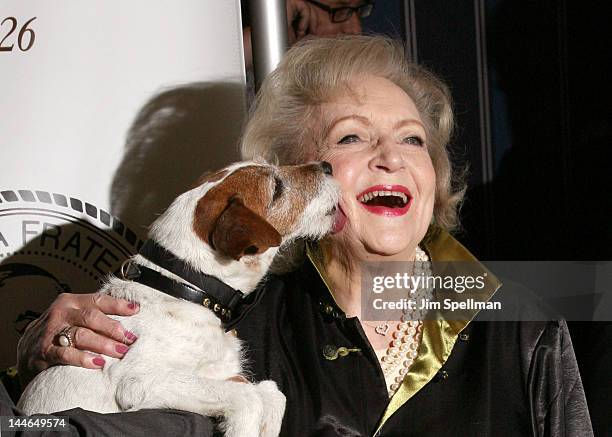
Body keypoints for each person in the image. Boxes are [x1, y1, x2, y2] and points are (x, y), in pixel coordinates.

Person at [7, 36, 593, 436]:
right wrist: (40, 359)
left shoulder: (520, 326)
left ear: (434, 178)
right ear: (301, 182)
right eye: (351, 139)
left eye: (413, 140)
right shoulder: (233, 326)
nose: (391, 157)